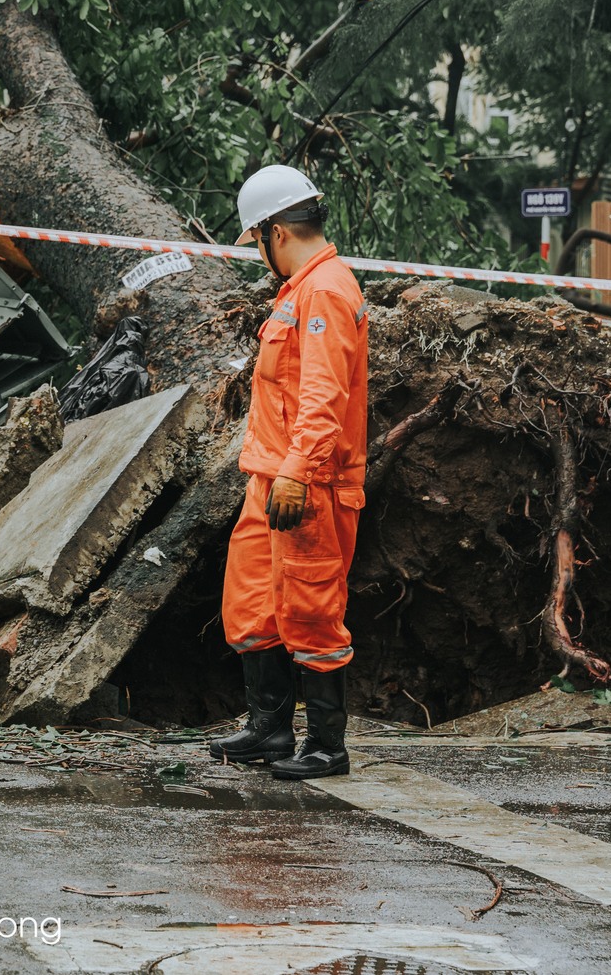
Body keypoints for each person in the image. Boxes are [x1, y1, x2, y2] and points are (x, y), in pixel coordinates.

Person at [208, 164, 368, 780]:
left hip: (308, 483)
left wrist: (298, 472)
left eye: (256, 240)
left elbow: (324, 395)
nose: (258, 252)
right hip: (271, 479)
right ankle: (269, 731)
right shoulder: (300, 290)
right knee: (251, 607)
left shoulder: (324, 290)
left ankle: (328, 746)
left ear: (275, 231)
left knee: (310, 611)